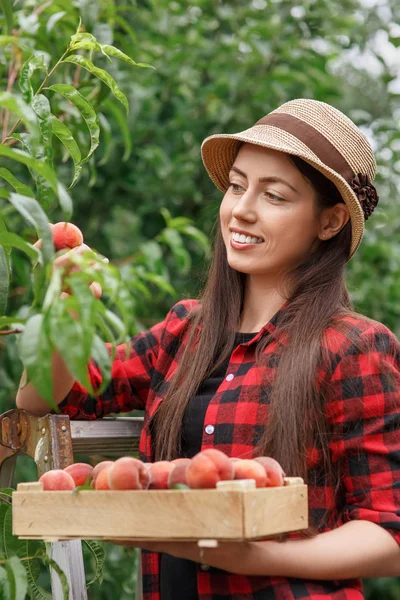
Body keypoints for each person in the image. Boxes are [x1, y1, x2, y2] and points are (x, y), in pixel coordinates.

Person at [16, 98, 400, 600]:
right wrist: (64, 309)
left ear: (328, 222)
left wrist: (255, 557)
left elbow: (387, 535)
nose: (242, 208)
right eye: (237, 185)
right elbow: (42, 398)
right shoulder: (185, 332)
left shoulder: (354, 347)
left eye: (275, 196)